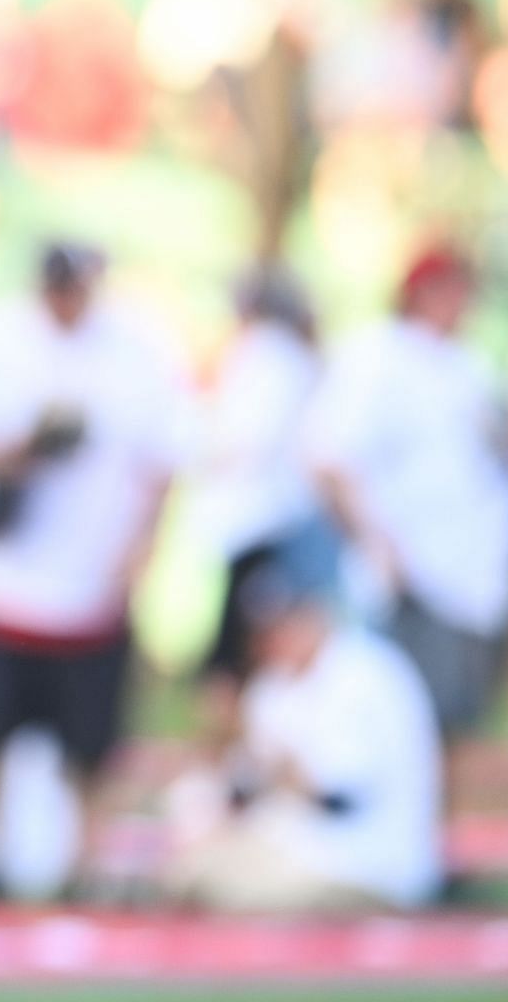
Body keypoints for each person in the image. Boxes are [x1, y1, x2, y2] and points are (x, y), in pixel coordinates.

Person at [0, 242, 188, 897]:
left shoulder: (137, 350)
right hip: (4, 581)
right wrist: (11, 454)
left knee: (89, 744)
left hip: (90, 584)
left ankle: (81, 860)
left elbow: (166, 457)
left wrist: (141, 549)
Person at [308, 247, 508, 777]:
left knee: (453, 726)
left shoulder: (467, 365)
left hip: (469, 581)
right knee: (405, 726)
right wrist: (378, 544)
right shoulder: (377, 357)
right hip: (413, 582)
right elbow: (329, 459)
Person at [165, 560, 442, 912]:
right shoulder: (273, 686)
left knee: (220, 887)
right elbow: (244, 788)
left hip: (368, 864)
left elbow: (342, 799)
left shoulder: (367, 675)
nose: (271, 641)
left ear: (314, 616)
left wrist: (279, 769)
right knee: (195, 836)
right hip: (302, 852)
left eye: (282, 624)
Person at [192, 265, 336, 740]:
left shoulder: (269, 358)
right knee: (249, 653)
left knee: (244, 656)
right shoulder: (291, 359)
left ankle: (233, 757)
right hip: (269, 523)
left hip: (263, 524)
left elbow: (243, 441)